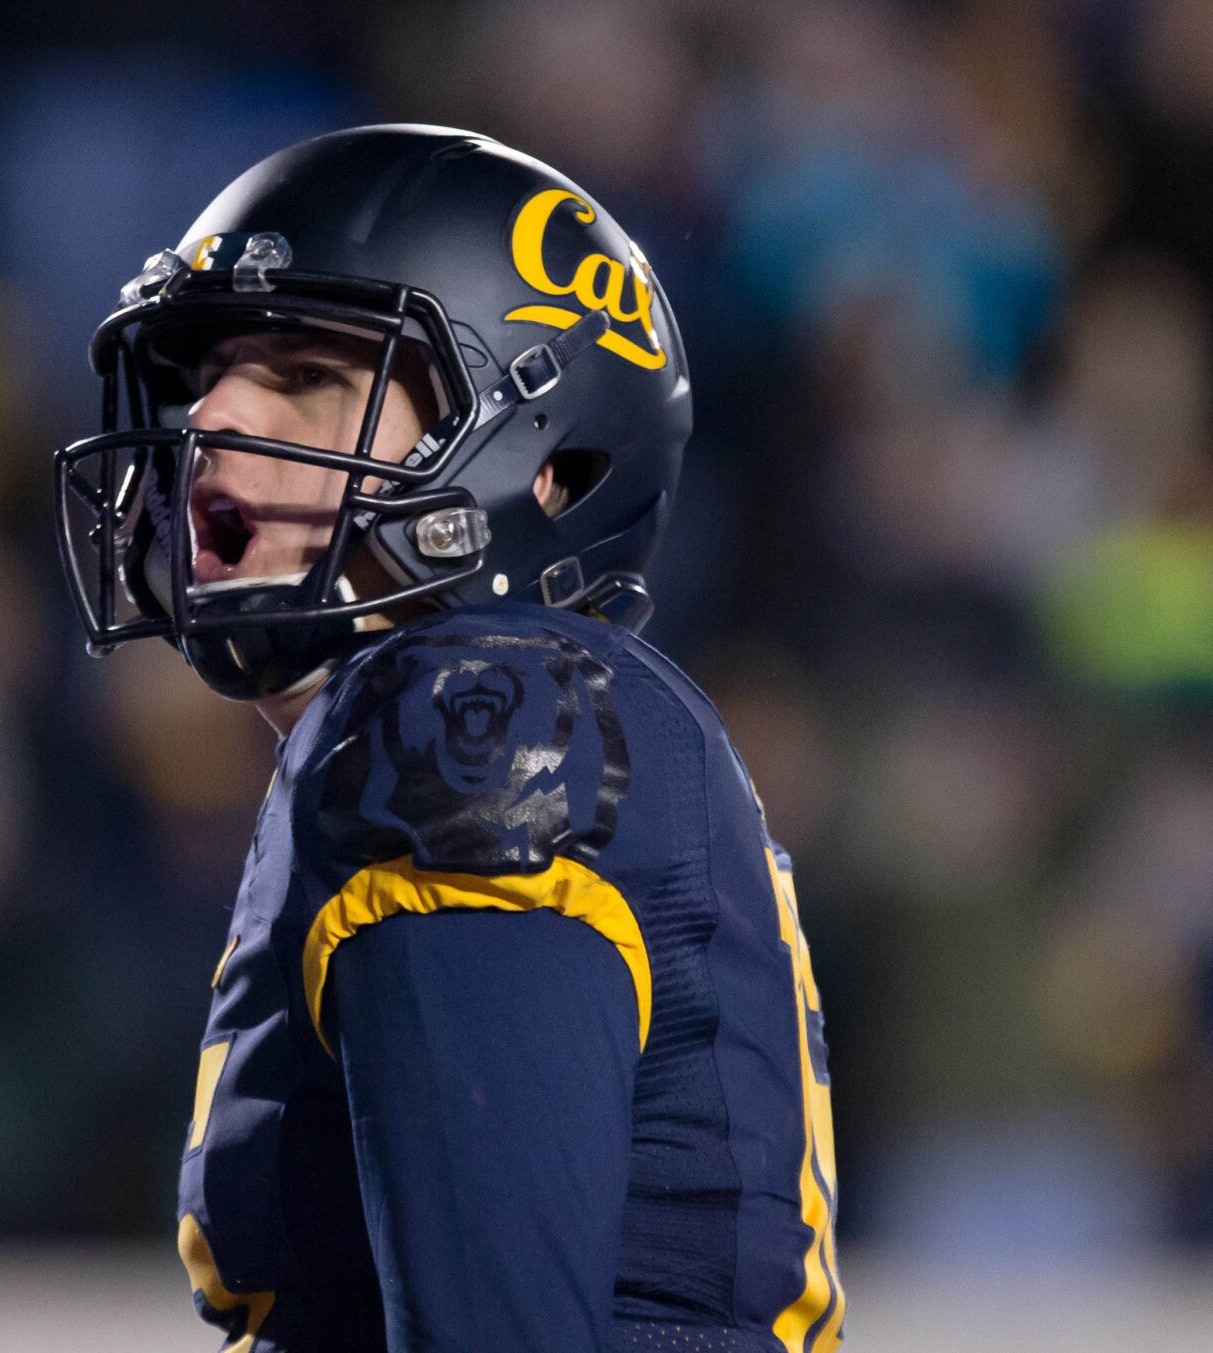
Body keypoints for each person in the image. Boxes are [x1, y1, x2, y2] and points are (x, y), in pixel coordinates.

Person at [53, 125, 843, 1353]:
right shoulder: (511, 703)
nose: (211, 411)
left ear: (537, 451)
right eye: (207, 371)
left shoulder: (477, 706)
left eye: (307, 372)